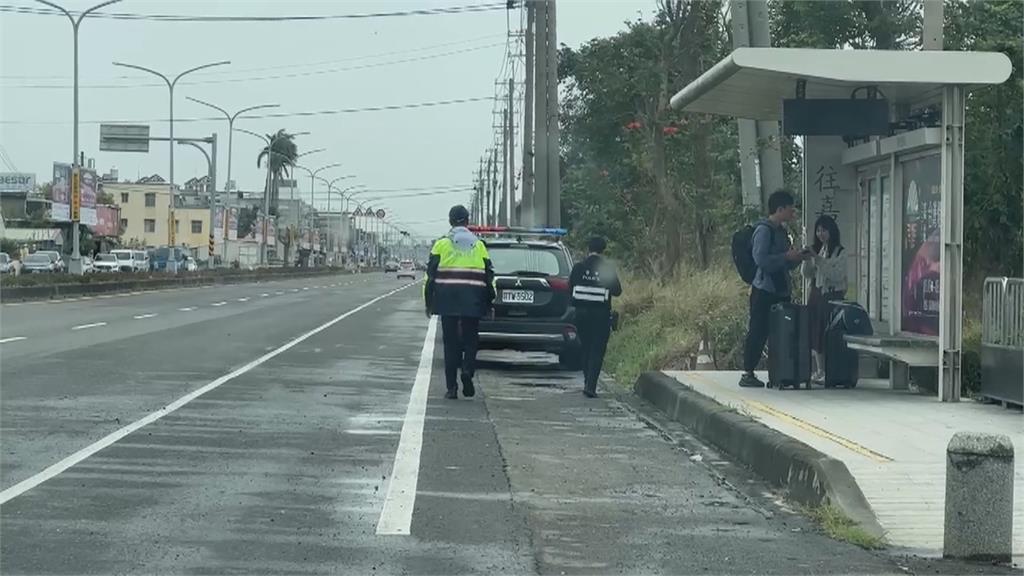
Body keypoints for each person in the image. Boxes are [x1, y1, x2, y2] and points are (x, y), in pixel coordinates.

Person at [739, 189, 813, 388]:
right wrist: (785, 257)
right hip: (764, 289)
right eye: (790, 209)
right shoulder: (764, 231)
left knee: (782, 331)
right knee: (758, 330)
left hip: (781, 288)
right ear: (780, 209)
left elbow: (785, 263)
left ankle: (781, 372)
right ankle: (748, 372)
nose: (792, 213)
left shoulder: (782, 232)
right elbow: (761, 259)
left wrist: (797, 258)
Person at [424, 205, 495, 399]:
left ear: (450, 221)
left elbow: (430, 276)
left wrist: (429, 301)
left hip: (447, 300)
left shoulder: (441, 245)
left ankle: (451, 388)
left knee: (450, 343)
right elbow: (489, 276)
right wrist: (490, 301)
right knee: (471, 339)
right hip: (473, 298)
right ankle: (467, 370)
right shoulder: (479, 245)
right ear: (467, 221)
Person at [570, 236, 622, 398]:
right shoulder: (606, 269)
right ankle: (591, 386)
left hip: (581, 315)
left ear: (588, 249)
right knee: (597, 350)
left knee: (585, 347)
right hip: (600, 316)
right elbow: (617, 291)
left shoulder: (578, 267)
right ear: (603, 250)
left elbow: (570, 288)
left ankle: (587, 380)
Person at [801, 215, 847, 382]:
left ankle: (830, 370)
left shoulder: (840, 252)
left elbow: (836, 275)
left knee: (828, 333)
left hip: (832, 296)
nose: (820, 234)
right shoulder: (819, 249)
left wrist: (818, 259)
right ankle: (820, 370)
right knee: (815, 332)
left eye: (824, 230)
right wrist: (807, 259)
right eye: (818, 230)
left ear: (832, 231)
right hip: (816, 294)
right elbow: (807, 274)